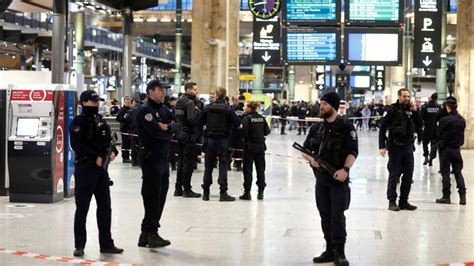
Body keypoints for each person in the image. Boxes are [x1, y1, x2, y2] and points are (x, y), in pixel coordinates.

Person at [302, 92, 357, 266]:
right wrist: (312, 160)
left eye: (324, 104)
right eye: (321, 104)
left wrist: (345, 170)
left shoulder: (346, 127)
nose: (321, 107)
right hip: (321, 180)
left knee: (337, 216)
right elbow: (305, 149)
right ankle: (329, 249)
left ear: (333, 106)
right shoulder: (317, 128)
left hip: (338, 180)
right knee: (324, 214)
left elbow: (353, 151)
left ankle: (340, 252)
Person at [70, 90, 123, 257]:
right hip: (86, 169)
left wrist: (114, 152)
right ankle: (79, 245)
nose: (96, 104)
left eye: (97, 101)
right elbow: (77, 145)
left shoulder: (101, 121)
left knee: (105, 208)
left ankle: (106, 244)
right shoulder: (78, 122)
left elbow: (109, 141)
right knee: (82, 209)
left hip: (101, 172)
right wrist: (95, 158)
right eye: (93, 102)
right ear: (83, 103)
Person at [136, 81, 181, 248]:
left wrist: (167, 127)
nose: (164, 93)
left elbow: (178, 126)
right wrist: (167, 130)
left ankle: (145, 233)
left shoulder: (164, 109)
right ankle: (152, 232)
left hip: (163, 158)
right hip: (151, 158)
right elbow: (155, 134)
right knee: (152, 196)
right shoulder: (145, 111)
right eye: (160, 89)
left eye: (164, 89)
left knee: (161, 195)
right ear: (150, 92)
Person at [379, 88, 423, 211]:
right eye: (404, 96)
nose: (406, 98)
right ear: (399, 97)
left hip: (408, 147)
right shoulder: (392, 110)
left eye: (408, 96)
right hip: (395, 146)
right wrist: (381, 146)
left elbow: (419, 124)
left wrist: (415, 112)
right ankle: (392, 201)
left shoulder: (411, 110)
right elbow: (383, 128)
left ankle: (404, 201)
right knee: (394, 174)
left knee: (408, 175)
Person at [197, 87, 242, 202]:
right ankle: (223, 193)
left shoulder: (207, 108)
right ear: (224, 95)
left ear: (216, 95)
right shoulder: (228, 108)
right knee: (223, 167)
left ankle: (206, 193)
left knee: (208, 167)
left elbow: (198, 122)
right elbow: (238, 124)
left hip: (210, 140)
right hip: (223, 141)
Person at [435, 97, 467, 205]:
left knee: (445, 173)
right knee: (458, 172)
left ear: (447, 107)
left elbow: (438, 133)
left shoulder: (444, 120)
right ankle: (462, 197)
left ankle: (446, 196)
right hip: (457, 150)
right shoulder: (462, 120)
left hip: (446, 150)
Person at [174, 82, 202, 198]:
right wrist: (199, 114)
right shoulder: (190, 102)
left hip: (180, 134)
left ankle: (178, 188)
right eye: (194, 89)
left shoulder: (179, 101)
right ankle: (187, 189)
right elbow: (192, 119)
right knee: (188, 163)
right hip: (189, 135)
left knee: (181, 161)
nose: (196, 91)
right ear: (188, 89)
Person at [239, 101, 271, 200]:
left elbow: (243, 132)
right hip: (261, 146)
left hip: (249, 147)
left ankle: (247, 193)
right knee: (261, 169)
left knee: (248, 170)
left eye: (245, 106)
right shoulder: (262, 118)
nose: (244, 108)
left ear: (249, 108)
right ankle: (260, 192)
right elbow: (267, 131)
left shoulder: (247, 118)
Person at [421, 93, 441, 166]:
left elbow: (421, 117)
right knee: (433, 143)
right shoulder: (438, 107)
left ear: (430, 98)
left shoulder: (425, 106)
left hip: (427, 128)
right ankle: (431, 160)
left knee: (425, 143)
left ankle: (426, 157)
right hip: (435, 128)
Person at [129, 93, 147, 166]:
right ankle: (140, 161)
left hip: (133, 129)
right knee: (141, 145)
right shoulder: (144, 107)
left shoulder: (134, 107)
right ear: (145, 98)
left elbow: (129, 118)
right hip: (141, 129)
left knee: (133, 145)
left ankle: (134, 160)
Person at [229, 96, 245, 171]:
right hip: (232, 131)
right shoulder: (230, 108)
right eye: (235, 100)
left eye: (238, 100)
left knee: (239, 149)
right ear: (233, 100)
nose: (237, 102)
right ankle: (228, 163)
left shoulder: (243, 109)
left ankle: (238, 163)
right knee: (230, 148)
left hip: (240, 133)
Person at [116, 98, 132, 163]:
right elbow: (118, 118)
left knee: (129, 143)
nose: (127, 103)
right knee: (125, 144)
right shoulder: (122, 110)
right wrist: (123, 117)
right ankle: (125, 158)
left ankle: (128, 157)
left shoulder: (131, 109)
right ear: (124, 102)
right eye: (126, 102)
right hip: (124, 129)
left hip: (130, 129)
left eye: (129, 102)